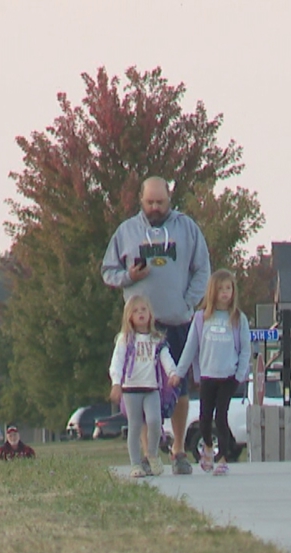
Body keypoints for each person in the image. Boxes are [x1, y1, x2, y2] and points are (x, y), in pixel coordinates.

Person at [102, 176, 211, 475]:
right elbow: (107, 271)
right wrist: (129, 278)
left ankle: (178, 450)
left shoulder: (186, 228)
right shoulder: (127, 232)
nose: (155, 208)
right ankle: (149, 456)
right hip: (141, 328)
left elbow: (202, 267)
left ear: (169, 199)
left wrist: (189, 302)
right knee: (140, 388)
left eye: (160, 202)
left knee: (178, 386)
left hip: (177, 321)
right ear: (141, 200)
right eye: (149, 202)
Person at [171, 269, 251, 476]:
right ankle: (207, 447)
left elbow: (245, 349)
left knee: (221, 417)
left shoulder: (238, 318)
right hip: (208, 375)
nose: (225, 293)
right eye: (221, 289)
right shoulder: (201, 318)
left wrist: (240, 374)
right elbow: (190, 348)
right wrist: (179, 373)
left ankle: (223, 458)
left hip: (228, 377)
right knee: (205, 419)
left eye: (229, 288)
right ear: (212, 292)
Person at [111, 294, 178, 478]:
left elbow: (166, 358)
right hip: (131, 389)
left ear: (150, 314)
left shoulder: (157, 339)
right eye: (135, 311)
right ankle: (135, 464)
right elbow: (117, 362)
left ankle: (152, 454)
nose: (140, 313)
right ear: (129, 316)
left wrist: (173, 373)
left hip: (151, 388)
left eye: (144, 310)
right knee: (134, 425)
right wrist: (116, 383)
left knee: (155, 421)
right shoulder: (126, 339)